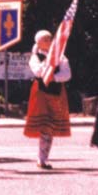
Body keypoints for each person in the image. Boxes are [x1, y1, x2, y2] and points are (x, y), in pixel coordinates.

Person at [24, 30, 71, 169]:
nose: (49, 41)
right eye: (45, 39)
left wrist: (55, 77)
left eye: (50, 38)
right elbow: (38, 71)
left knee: (50, 127)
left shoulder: (60, 56)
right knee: (44, 125)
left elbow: (67, 74)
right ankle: (41, 159)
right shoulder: (35, 57)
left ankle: (43, 158)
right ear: (38, 42)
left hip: (56, 92)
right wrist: (49, 62)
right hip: (41, 93)